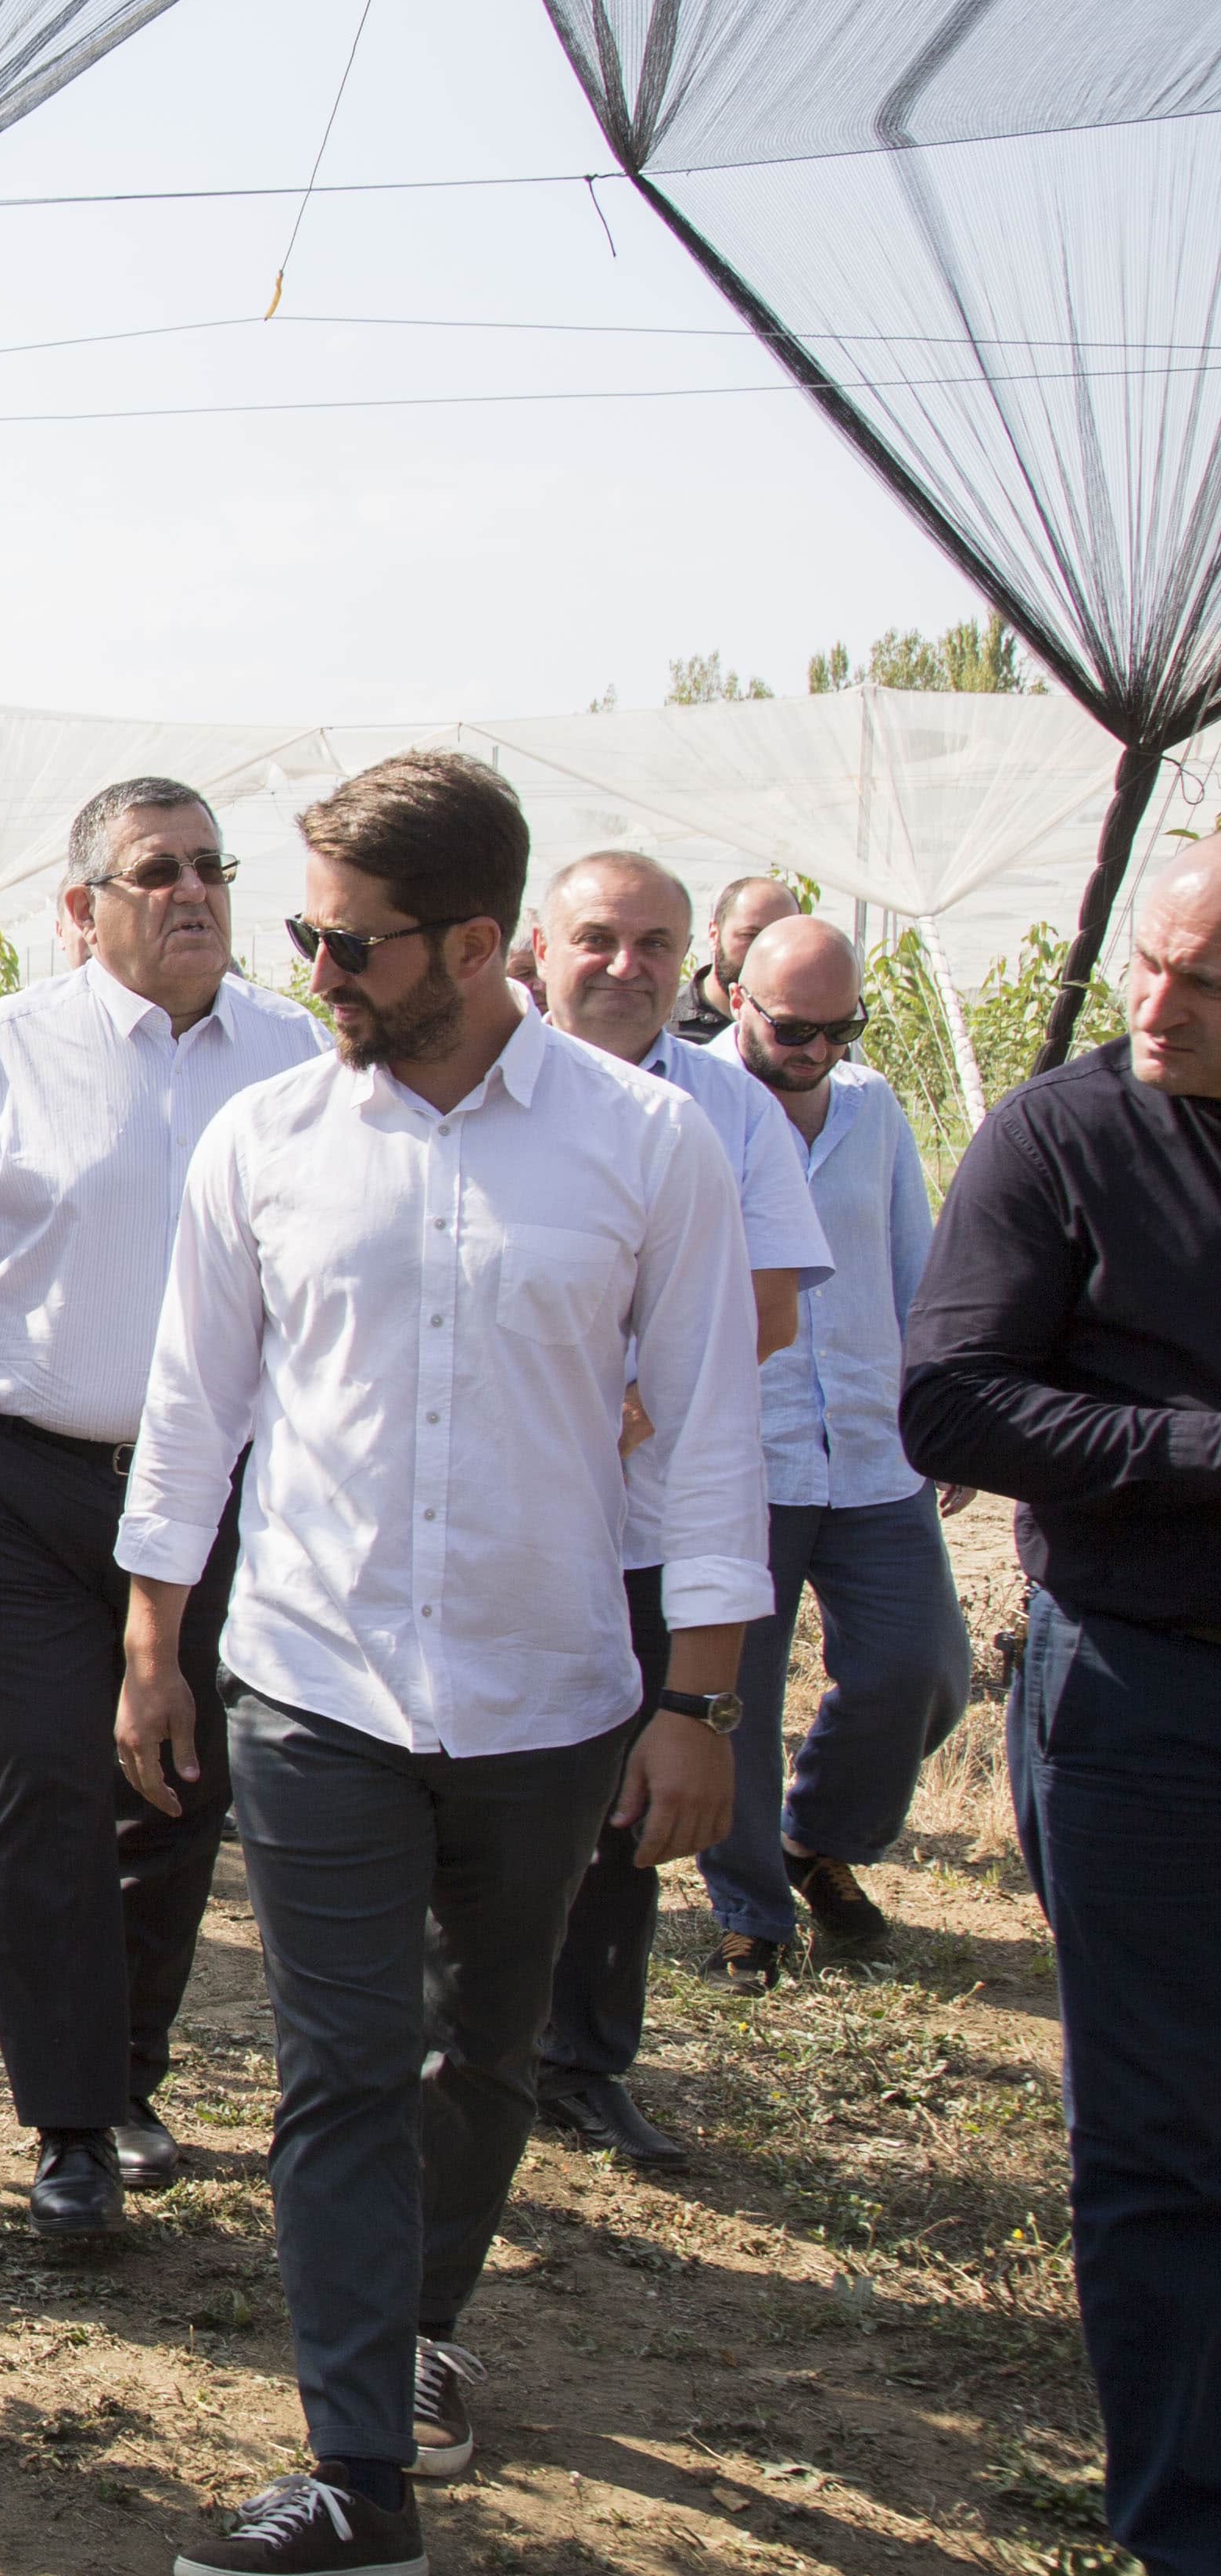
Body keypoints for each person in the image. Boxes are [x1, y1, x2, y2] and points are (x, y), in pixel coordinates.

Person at [118, 752, 762, 2576]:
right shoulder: (264, 1140)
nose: (311, 968)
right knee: (334, 2067)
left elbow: (708, 1436)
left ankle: (410, 2330)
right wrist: (151, 1646)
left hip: (547, 1694)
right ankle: (355, 2474)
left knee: (476, 2051)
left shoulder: (645, 1148)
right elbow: (191, 1411)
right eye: (305, 931)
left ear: (476, 945)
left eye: (351, 942)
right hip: (310, 1681)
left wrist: (697, 1701)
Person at [0, 776, 320, 2248]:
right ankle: (68, 2128)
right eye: (156, 871)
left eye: (211, 868)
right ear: (82, 906)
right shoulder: (0, 1051)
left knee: (177, 1779)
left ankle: (127, 2077)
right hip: (23, 1488)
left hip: (220, 1491)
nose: (193, 893)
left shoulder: (296, 1057)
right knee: (50, 1780)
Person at [900, 832, 1221, 2576]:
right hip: (1148, 1696)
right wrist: (1197, 1449)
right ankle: (1195, 2559)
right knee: (1166, 2134)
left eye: (1201, 984)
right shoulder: (1063, 1138)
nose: (1152, 1006)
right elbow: (949, 1400)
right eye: (1146, 968)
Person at [523, 851, 825, 2165]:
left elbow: (771, 1302)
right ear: (540, 948)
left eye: (655, 945)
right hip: (499, 1517)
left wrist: (643, 1386)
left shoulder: (731, 1110)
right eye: (599, 938)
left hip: (643, 1523)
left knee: (622, 1803)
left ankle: (582, 2062)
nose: (625, 967)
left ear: (693, 964)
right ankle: (457, 2054)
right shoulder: (473, 1088)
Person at [696, 915, 970, 1987]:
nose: (816, 1049)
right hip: (744, 1450)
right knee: (737, 1697)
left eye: (839, 1029)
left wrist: (943, 1408)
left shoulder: (873, 1106)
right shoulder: (690, 1107)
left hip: (869, 1443)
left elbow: (916, 1264)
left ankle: (815, 1839)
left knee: (921, 1669)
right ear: (736, 998)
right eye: (793, 1027)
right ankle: (750, 1910)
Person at [676, 871, 803, 1042]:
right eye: (750, 936)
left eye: (782, 938)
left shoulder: (811, 1034)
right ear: (714, 935)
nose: (766, 951)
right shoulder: (658, 1029)